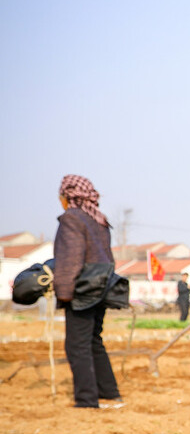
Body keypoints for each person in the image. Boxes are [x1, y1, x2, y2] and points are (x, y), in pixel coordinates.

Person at [53, 175, 122, 409]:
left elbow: (70, 259)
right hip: (101, 288)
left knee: (77, 345)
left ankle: (86, 400)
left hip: (83, 291)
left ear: (69, 196)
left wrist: (64, 292)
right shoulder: (99, 220)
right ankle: (109, 393)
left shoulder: (72, 219)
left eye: (61, 196)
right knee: (94, 341)